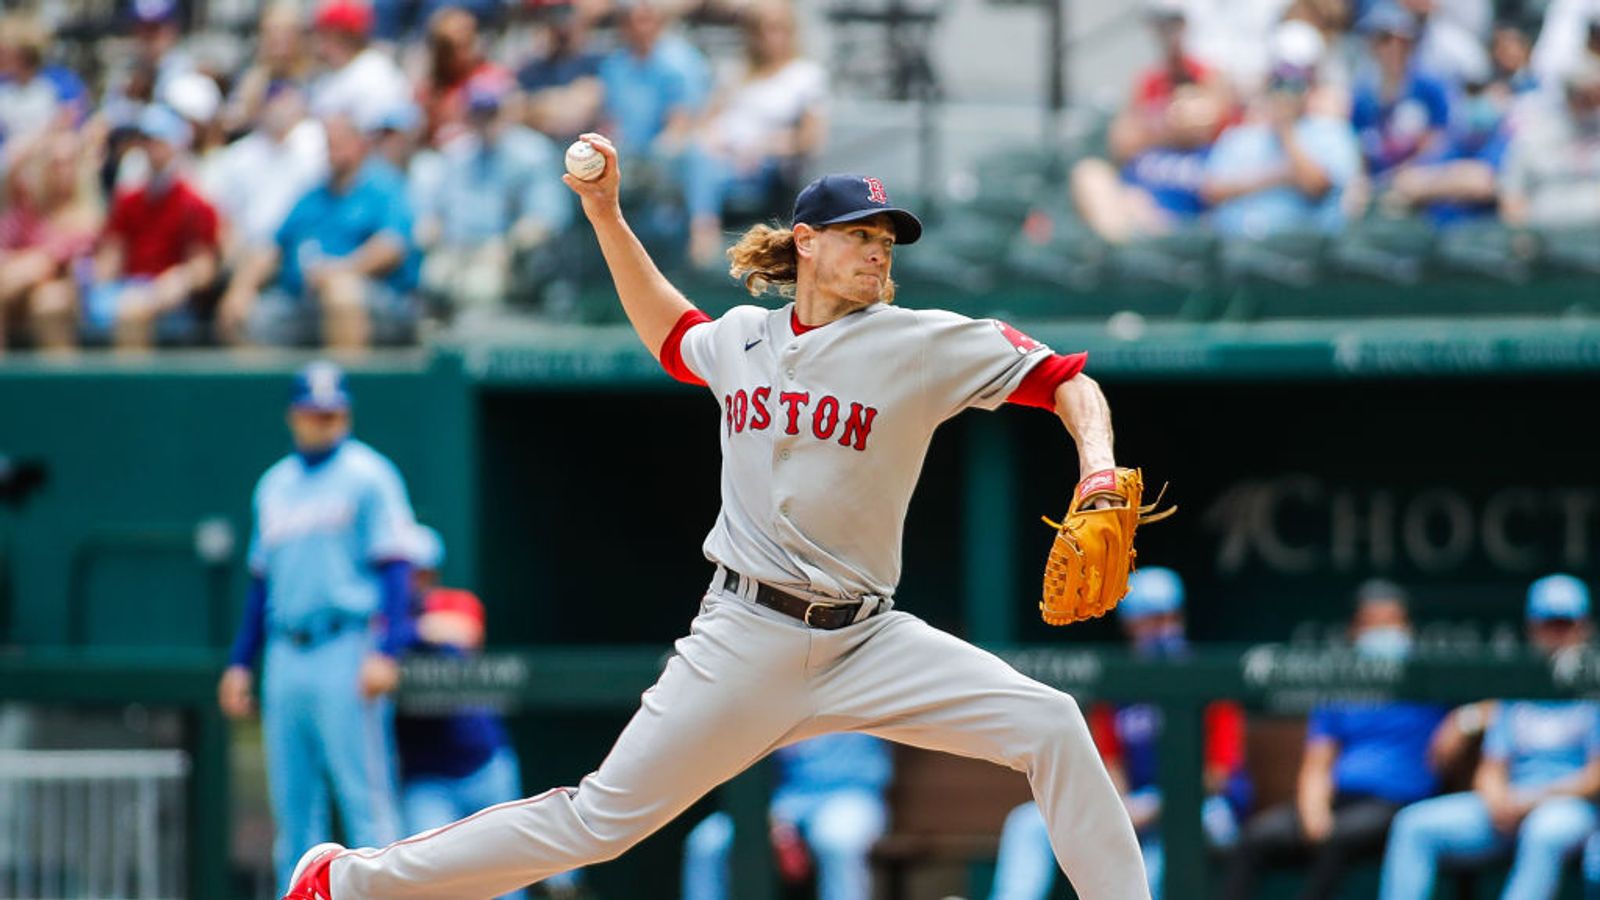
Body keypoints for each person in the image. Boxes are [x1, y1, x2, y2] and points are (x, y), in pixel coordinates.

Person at [281, 135, 1150, 900]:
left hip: (869, 640)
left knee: (1050, 724)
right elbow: (670, 332)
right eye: (862, 237)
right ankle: (346, 881)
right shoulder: (741, 340)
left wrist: (1100, 466)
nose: (879, 254)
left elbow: (1068, 380)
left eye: (887, 242)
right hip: (746, 633)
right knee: (596, 822)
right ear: (807, 243)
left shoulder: (918, 341)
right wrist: (606, 215)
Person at [218, 361, 417, 893]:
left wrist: (389, 650)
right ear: (295, 416)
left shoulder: (369, 473)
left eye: (334, 413)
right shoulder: (273, 485)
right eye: (315, 413)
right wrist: (241, 661)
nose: (325, 422)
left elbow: (397, 567)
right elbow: (262, 584)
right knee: (293, 811)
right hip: (285, 651)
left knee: (367, 803)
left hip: (346, 643)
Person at [989, 568, 1251, 900]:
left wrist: (1155, 807)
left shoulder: (1209, 680)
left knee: (1156, 853)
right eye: (1149, 619)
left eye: (1168, 617)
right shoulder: (1119, 685)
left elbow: (1219, 775)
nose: (1160, 627)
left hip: (1208, 807)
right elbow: (1109, 763)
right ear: (1131, 625)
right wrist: (1120, 806)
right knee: (1027, 823)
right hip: (1135, 804)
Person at [1223, 580, 1456, 900]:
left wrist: (1463, 722)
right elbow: (1319, 760)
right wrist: (1313, 808)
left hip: (1396, 803)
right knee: (1255, 838)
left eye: (1391, 622)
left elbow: (1497, 693)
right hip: (1341, 799)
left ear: (1407, 628)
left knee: (1339, 837)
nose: (1383, 632)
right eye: (1373, 623)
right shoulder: (1342, 686)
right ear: (1356, 630)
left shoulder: (1429, 677)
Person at [1378, 574, 1600, 900]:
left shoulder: (1592, 685)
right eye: (1548, 624)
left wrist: (1533, 800)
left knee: (1544, 832)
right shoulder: (1517, 685)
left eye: (1565, 624)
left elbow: (1595, 777)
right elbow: (1493, 764)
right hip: (1512, 801)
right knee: (1413, 825)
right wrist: (1496, 798)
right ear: (1532, 627)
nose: (1557, 635)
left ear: (1583, 626)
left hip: (1570, 806)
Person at [394, 526, 568, 900]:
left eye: (422, 572)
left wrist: (402, 632)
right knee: (429, 881)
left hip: (484, 764)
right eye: (408, 572)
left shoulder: (450, 603)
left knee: (505, 880)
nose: (416, 581)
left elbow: (463, 630)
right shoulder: (372, 618)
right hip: (426, 776)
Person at [218, 112, 420, 349]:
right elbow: (271, 247)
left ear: (360, 145)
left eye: (340, 142)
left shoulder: (385, 187)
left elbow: (391, 247)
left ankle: (345, 384)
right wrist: (242, 288)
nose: (333, 150)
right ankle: (271, 386)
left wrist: (339, 271)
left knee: (341, 294)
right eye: (329, 143)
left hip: (375, 299)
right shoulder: (312, 196)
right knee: (239, 314)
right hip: (302, 300)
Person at [1069, 0, 1231, 244]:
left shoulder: (1210, 76)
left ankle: (1137, 252)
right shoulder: (1149, 81)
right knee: (1090, 175)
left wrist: (1155, 125)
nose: (1168, 32)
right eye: (1160, 23)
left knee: (1140, 210)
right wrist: (1168, 125)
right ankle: (1126, 252)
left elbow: (1200, 125)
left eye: (1174, 22)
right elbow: (1121, 143)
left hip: (1184, 202)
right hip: (1138, 194)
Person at [684, 0, 828, 266]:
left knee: (700, 164)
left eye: (777, 29)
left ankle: (703, 233)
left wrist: (763, 147)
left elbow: (809, 139)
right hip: (720, 158)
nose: (770, 37)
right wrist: (711, 140)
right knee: (694, 155)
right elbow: (705, 121)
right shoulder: (736, 72)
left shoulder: (804, 76)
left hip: (764, 167)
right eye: (760, 30)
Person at [410, 76, 570, 316]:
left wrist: (508, 245)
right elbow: (433, 213)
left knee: (479, 287)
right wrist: (431, 229)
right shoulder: (457, 154)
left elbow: (547, 217)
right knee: (432, 278)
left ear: (506, 112)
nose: (484, 122)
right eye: (477, 114)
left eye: (491, 113)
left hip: (501, 252)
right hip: (455, 249)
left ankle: (476, 351)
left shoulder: (531, 153)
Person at [682, 733, 890, 900]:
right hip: (787, 798)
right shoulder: (777, 694)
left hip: (852, 793)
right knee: (706, 842)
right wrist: (777, 826)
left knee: (836, 840)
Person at [85, 104, 220, 351]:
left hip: (173, 300)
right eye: (146, 141)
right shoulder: (128, 199)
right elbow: (111, 254)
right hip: (128, 289)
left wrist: (176, 282)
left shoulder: (195, 203)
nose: (151, 148)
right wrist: (94, 283)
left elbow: (203, 268)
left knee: (132, 311)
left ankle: (127, 390)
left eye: (158, 140)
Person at [1201, 61, 1362, 238]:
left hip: (1300, 248)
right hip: (1235, 243)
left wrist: (1286, 132)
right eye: (1278, 85)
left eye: (1294, 86)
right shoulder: (1241, 135)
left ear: (1308, 91)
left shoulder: (1330, 131)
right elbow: (1211, 191)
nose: (1285, 94)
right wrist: (1280, 177)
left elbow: (1317, 187)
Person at [0, 130, 99, 353]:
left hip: (71, 292)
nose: (61, 170)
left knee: (48, 302)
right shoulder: (30, 210)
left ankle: (63, 387)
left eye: (67, 163)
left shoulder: (87, 215)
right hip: (18, 292)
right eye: (54, 163)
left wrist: (27, 263)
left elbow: (57, 260)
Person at [1351, 4, 1453, 182]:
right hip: (1376, 182)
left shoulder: (1430, 87)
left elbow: (1441, 138)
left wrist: (1406, 172)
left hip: (1422, 180)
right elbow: (1359, 145)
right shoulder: (1362, 94)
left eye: (1403, 41)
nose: (1394, 48)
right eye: (1385, 40)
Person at [1499, 57, 1600, 229]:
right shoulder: (1534, 134)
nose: (1594, 105)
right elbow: (1512, 194)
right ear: (1569, 95)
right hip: (1545, 240)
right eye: (1586, 97)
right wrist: (1520, 235)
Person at [307, 0, 412, 125]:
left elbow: (381, 133)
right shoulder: (327, 74)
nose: (315, 41)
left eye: (321, 33)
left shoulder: (376, 74)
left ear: (336, 35)